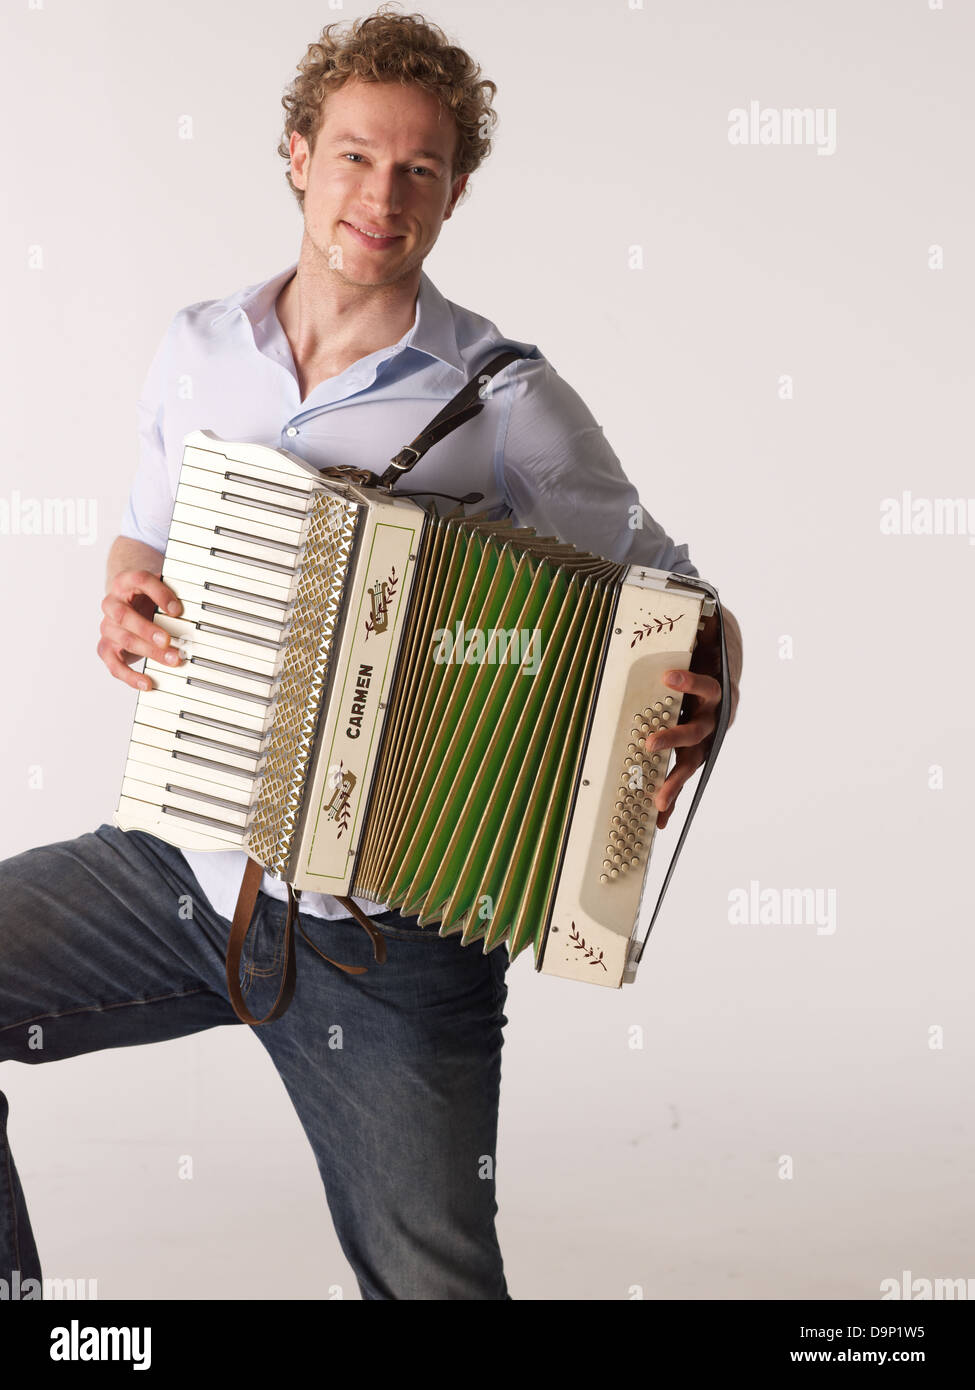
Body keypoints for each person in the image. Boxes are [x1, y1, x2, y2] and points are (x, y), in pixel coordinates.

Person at [0, 5, 742, 1300]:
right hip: (182, 870)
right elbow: (142, 536)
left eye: (418, 168)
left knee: (437, 1289)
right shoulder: (197, 348)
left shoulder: (504, 401)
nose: (379, 194)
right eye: (354, 154)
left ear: (456, 191)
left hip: (390, 943)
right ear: (296, 152)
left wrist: (708, 682)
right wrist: (126, 596)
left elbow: (680, 598)